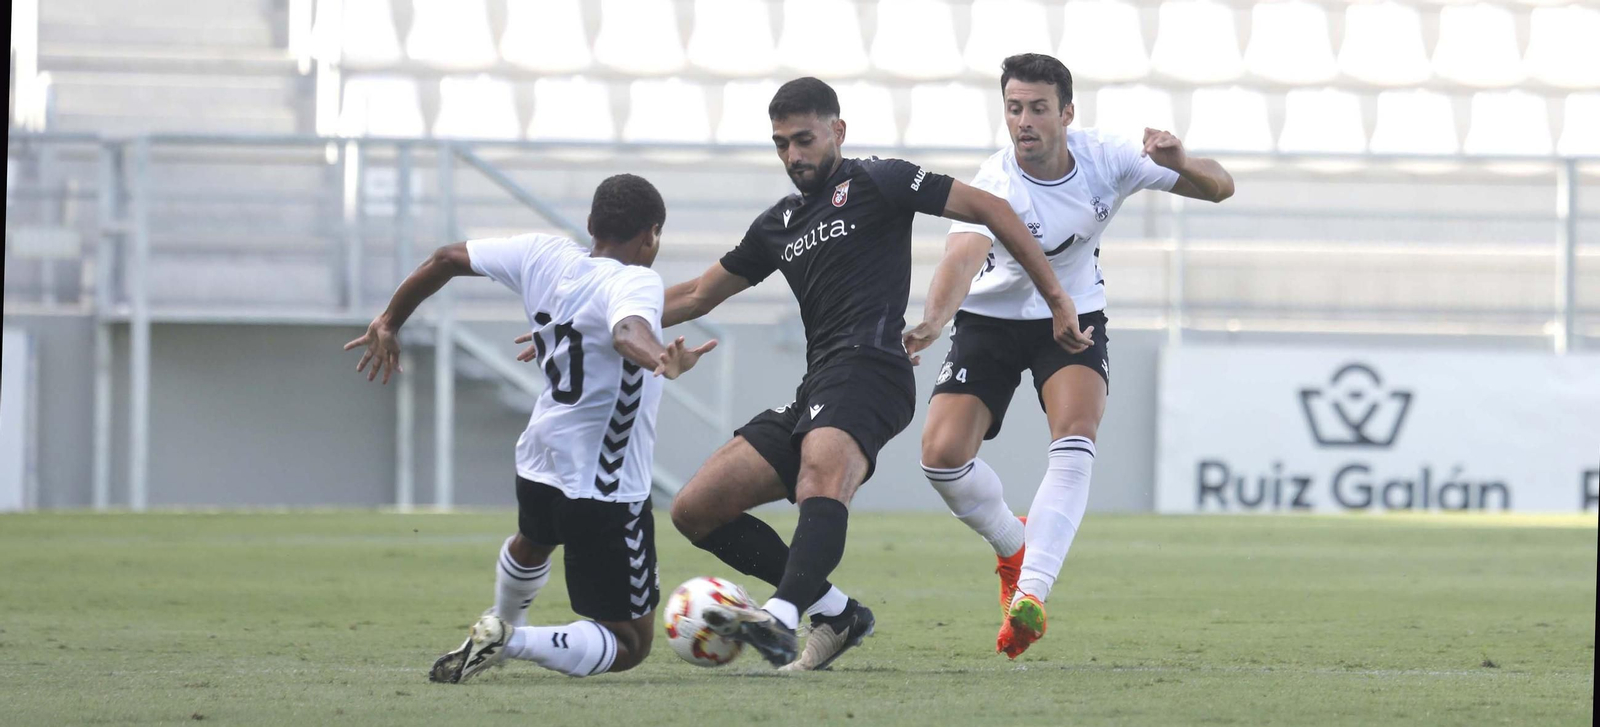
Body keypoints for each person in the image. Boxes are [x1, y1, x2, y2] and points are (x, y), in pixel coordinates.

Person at [663, 77, 1090, 671]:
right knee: (695, 508)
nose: (793, 155)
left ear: (837, 131)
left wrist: (1058, 298)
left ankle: (781, 615)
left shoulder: (878, 180)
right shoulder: (777, 224)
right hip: (817, 386)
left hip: (872, 369)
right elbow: (695, 294)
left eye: (804, 139)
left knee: (820, 475)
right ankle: (836, 612)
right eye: (782, 144)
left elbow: (991, 208)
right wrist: (606, 317)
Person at [903, 54, 1235, 659]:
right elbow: (959, 259)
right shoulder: (996, 181)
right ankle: (1013, 547)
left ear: (1067, 113)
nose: (1023, 121)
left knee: (1077, 430)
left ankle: (1031, 592)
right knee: (941, 457)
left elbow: (1220, 187)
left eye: (1037, 108)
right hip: (990, 321)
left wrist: (1181, 162)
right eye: (1013, 108)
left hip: (1074, 312)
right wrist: (933, 319)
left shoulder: (1108, 157)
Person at [342, 173, 716, 683]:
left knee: (533, 541)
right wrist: (661, 360)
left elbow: (446, 258)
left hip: (540, 457)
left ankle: (497, 624)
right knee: (629, 642)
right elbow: (628, 330)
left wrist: (389, 321)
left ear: (591, 223)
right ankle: (509, 640)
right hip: (602, 484)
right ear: (652, 235)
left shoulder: (543, 254)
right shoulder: (636, 281)